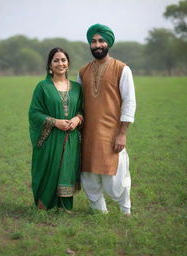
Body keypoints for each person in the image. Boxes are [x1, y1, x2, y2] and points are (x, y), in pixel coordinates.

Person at [78, 24, 136, 215]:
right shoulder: (83, 72)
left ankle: (125, 210)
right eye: (93, 41)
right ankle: (99, 213)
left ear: (108, 43)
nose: (97, 45)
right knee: (89, 175)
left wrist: (122, 133)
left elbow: (129, 102)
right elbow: (78, 103)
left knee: (115, 178)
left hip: (112, 133)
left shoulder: (122, 69)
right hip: (88, 134)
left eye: (101, 40)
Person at [28, 47, 83, 212]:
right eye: (56, 60)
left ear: (68, 63)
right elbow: (34, 113)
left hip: (71, 138)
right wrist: (54, 122)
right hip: (50, 139)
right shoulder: (43, 87)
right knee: (47, 170)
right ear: (50, 65)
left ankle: (65, 208)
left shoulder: (77, 88)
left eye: (63, 60)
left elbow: (83, 110)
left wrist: (77, 119)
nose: (60, 63)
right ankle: (45, 206)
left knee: (67, 169)